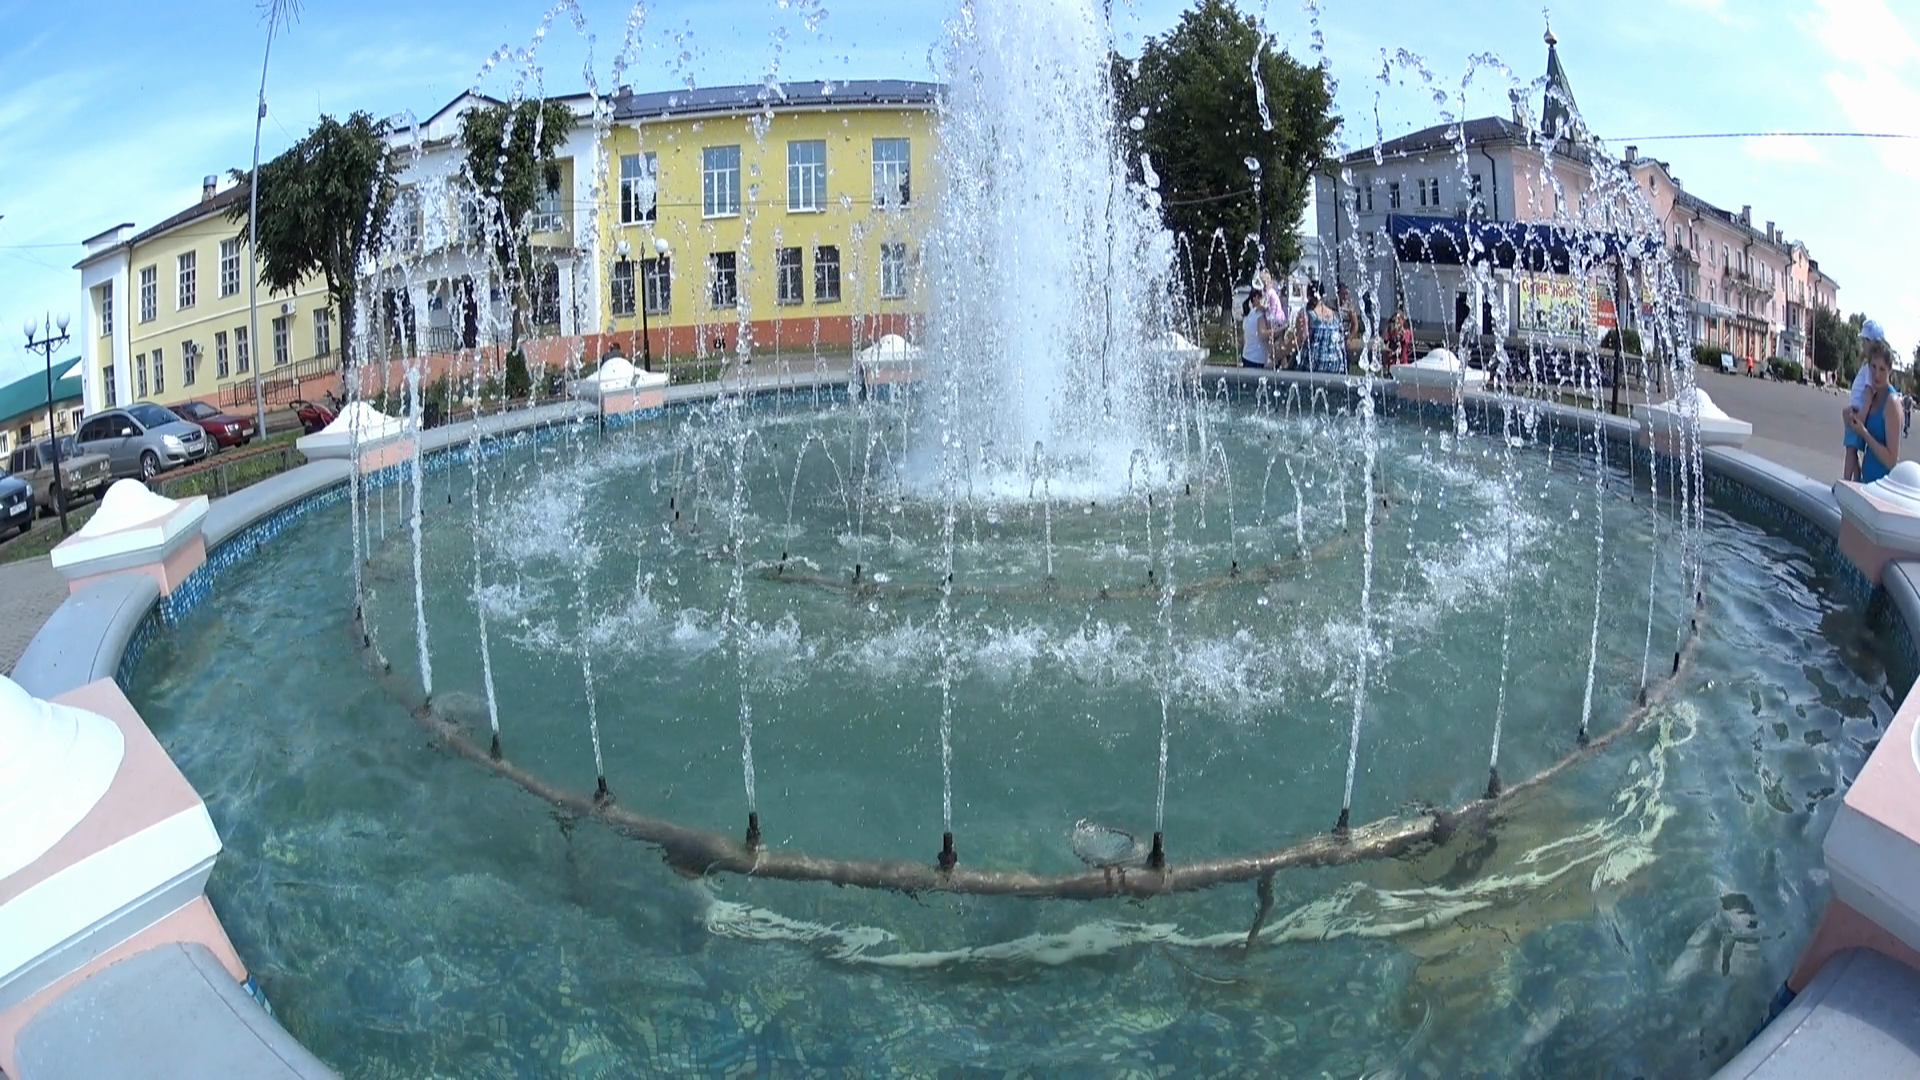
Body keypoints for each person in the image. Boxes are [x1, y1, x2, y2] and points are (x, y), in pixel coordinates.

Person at [1845, 323, 1904, 484]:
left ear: (1890, 370)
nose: (1876, 374)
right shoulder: (1873, 395)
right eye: (1873, 367)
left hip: (1883, 488)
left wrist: (1863, 432)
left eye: (1882, 369)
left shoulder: (1892, 402)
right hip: (1866, 483)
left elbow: (1891, 460)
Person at [1295, 281, 1345, 374]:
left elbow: (1301, 338)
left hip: (1314, 364)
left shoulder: (1307, 313)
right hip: (1335, 363)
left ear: (1309, 295)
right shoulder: (1333, 314)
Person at [1240, 292, 1270, 369]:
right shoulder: (1259, 314)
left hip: (1246, 355)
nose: (1266, 303)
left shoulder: (1247, 314)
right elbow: (1263, 334)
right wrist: (1280, 330)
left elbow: (1244, 338)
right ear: (1256, 298)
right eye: (1264, 299)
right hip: (1257, 358)